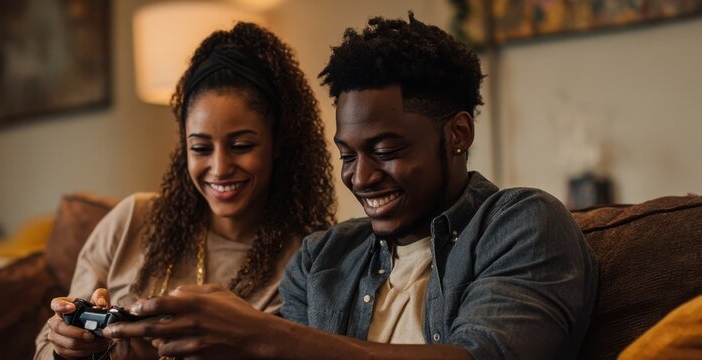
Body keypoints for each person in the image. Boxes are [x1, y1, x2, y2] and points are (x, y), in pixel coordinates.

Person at [104, 11, 599, 360]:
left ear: (458, 134)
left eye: (385, 150)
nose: (360, 178)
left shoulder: (521, 223)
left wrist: (264, 335)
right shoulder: (322, 259)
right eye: (347, 154)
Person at [34, 22, 336, 360]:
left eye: (241, 146)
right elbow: (45, 347)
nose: (220, 168)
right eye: (201, 148)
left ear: (278, 143)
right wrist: (66, 348)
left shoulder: (308, 262)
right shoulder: (131, 220)